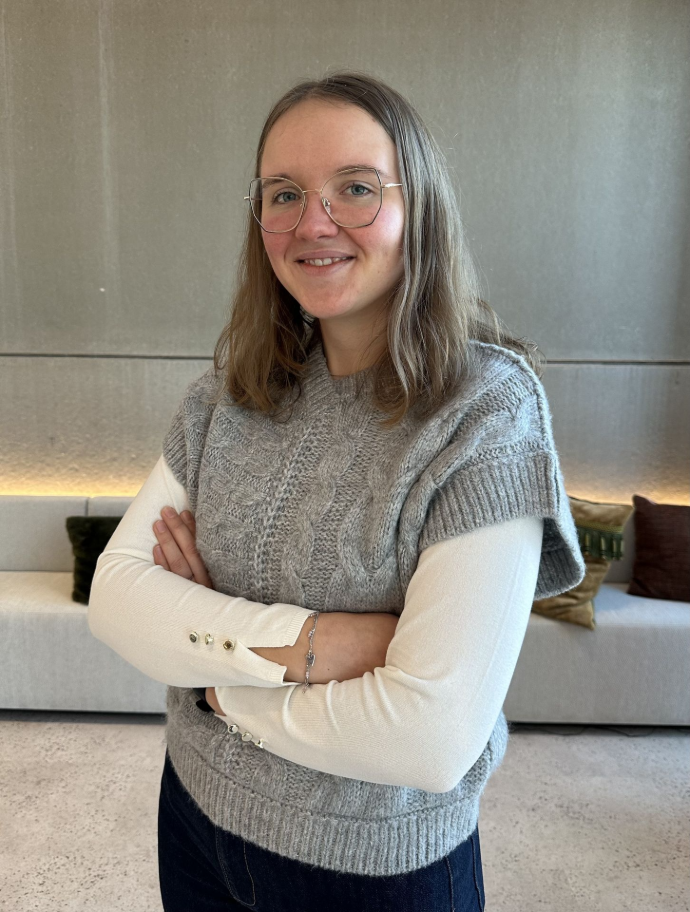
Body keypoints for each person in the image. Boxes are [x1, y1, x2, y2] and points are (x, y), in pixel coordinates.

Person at [88, 70, 586, 911]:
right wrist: (317, 644)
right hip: (196, 816)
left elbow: (429, 737)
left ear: (418, 206)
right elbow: (116, 599)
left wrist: (212, 682)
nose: (313, 224)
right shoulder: (228, 395)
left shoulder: (486, 412)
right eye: (284, 194)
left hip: (375, 871)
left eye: (355, 187)